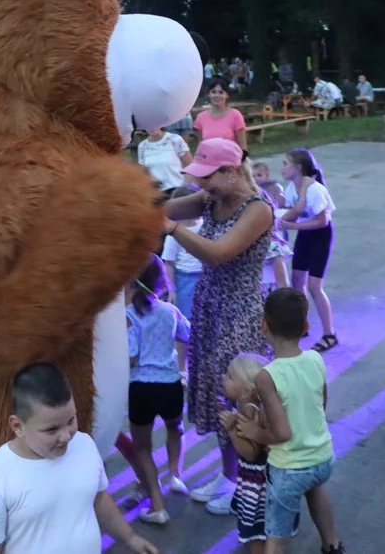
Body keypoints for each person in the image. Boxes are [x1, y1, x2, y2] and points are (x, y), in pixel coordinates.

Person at [162, 138, 274, 515]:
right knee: (219, 392)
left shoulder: (258, 210)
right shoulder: (212, 198)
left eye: (207, 176)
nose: (201, 185)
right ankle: (230, 475)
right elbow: (163, 207)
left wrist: (171, 229)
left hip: (239, 313)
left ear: (230, 172)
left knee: (241, 397)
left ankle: (249, 481)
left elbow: (220, 253)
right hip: (211, 308)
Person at [0, 362, 159, 553]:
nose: (66, 435)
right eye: (51, 429)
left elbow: (98, 499)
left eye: (71, 420)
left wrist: (130, 537)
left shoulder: (85, 445)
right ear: (17, 426)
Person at [236, 288, 345, 554]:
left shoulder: (266, 376)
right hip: (320, 458)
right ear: (306, 326)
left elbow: (281, 432)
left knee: (276, 534)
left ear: (264, 326)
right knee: (316, 492)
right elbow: (321, 402)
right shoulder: (316, 358)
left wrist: (254, 431)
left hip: (288, 469)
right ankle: (332, 546)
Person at [125, 254, 190, 524]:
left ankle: (158, 505)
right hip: (171, 384)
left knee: (142, 448)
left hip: (141, 388)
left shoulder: (128, 316)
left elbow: (132, 356)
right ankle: (175, 475)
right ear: (161, 280)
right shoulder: (170, 310)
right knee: (176, 429)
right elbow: (187, 334)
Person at [218, 352, 280, 553]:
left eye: (230, 376)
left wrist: (231, 431)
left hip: (257, 484)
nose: (223, 378)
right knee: (270, 531)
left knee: (256, 536)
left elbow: (250, 454)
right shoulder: (254, 406)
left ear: (246, 391)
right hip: (264, 481)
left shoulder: (250, 411)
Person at [279, 149, 339, 353]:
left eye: (285, 163)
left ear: (298, 167)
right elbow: (293, 215)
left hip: (320, 236)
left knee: (314, 286)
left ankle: (329, 334)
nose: (282, 168)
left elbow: (322, 222)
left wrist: (291, 226)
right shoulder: (290, 188)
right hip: (305, 235)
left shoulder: (315, 189)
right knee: (297, 282)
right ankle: (301, 324)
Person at [161, 186, 203, 366]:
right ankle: (181, 365)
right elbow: (168, 263)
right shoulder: (173, 234)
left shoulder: (206, 225)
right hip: (184, 280)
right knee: (185, 323)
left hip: (204, 277)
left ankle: (202, 363)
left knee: (204, 321)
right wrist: (171, 289)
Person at [193, 79, 248, 151]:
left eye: (221, 92)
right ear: (208, 94)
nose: (217, 95)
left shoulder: (235, 115)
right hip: (208, 161)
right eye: (213, 92)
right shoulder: (201, 117)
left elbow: (243, 146)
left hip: (231, 160)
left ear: (227, 95)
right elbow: (200, 146)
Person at [136, 126, 192, 195]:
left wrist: (185, 186)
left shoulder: (175, 139)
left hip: (178, 188)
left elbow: (190, 165)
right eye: (147, 125)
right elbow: (143, 172)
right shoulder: (142, 146)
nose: (151, 127)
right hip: (157, 193)